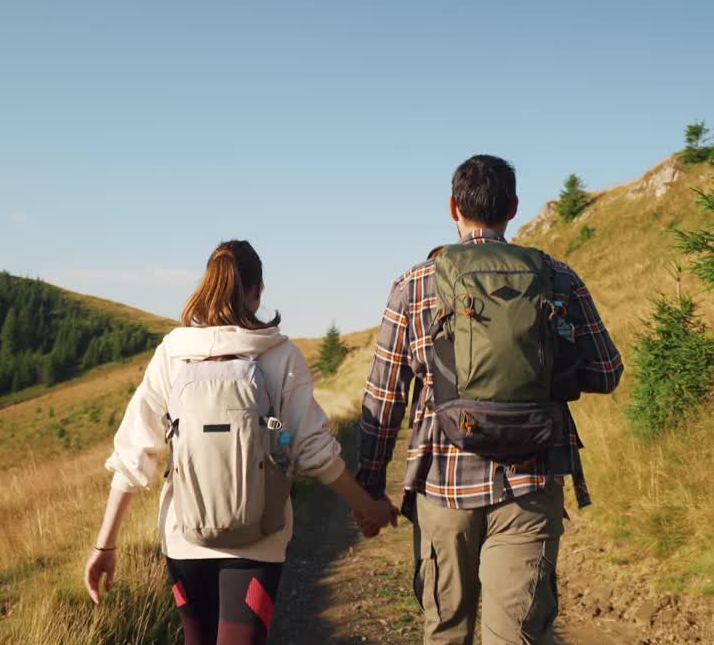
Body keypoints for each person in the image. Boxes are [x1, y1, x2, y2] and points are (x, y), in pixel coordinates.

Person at [353, 155, 623, 645]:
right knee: (516, 635)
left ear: (453, 207)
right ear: (513, 208)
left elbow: (383, 398)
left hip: (443, 487)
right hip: (529, 483)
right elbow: (607, 372)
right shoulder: (557, 277)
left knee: (446, 630)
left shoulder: (416, 284)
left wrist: (370, 489)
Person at [86, 240, 397, 645]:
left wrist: (105, 545)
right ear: (258, 290)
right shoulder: (280, 355)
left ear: (208, 285)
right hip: (259, 540)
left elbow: (134, 453)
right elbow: (315, 452)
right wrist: (367, 506)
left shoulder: (173, 353)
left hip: (185, 538)